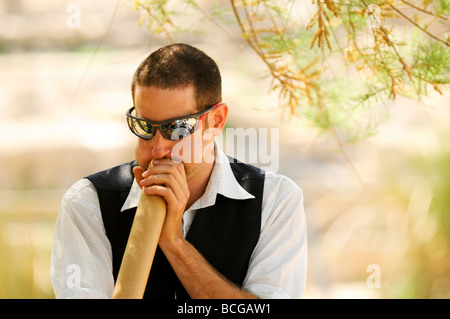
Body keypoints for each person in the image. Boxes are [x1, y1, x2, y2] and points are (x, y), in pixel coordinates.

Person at [50, 43, 307, 299]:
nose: (159, 149)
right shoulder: (87, 202)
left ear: (216, 121)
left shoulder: (276, 200)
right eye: (144, 127)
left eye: (177, 128)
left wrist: (173, 242)